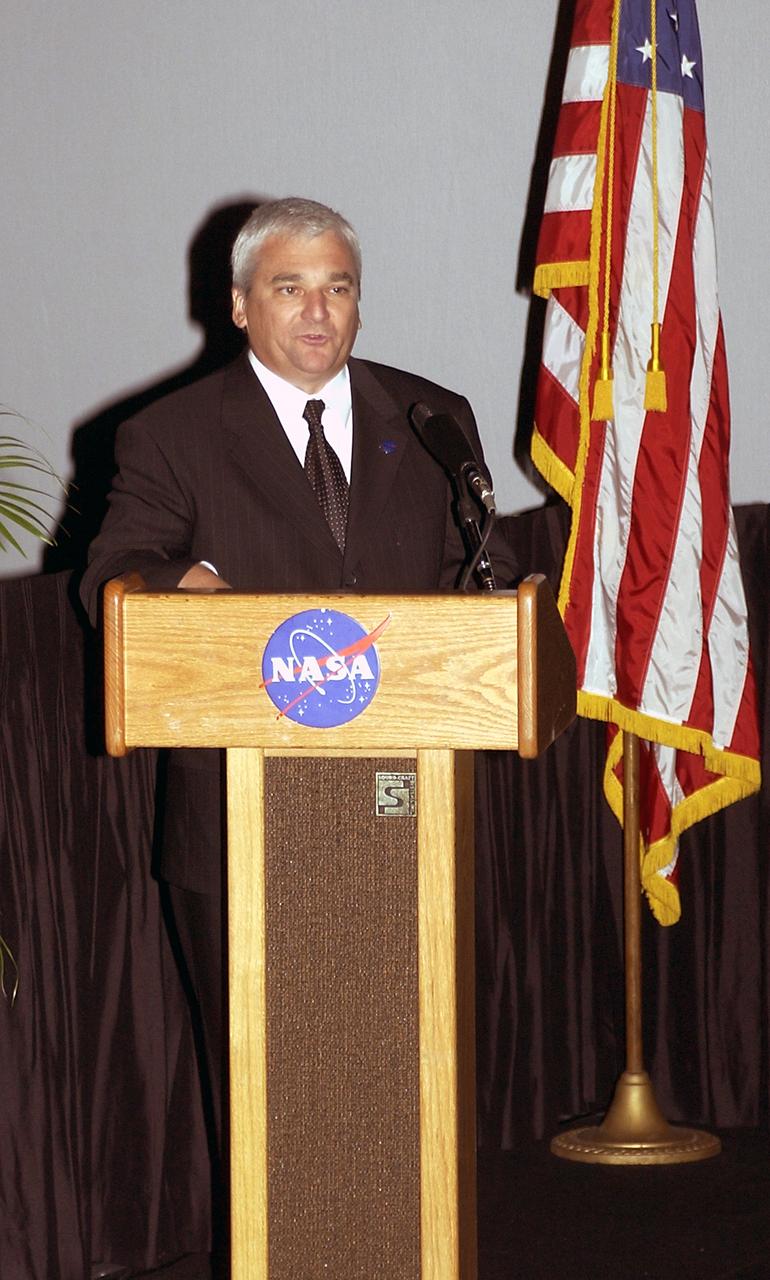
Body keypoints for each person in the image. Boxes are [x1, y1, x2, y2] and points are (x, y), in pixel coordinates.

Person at [80, 194, 519, 1199]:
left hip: (402, 809)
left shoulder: (431, 415)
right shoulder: (170, 433)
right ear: (238, 306)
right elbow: (113, 570)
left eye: (337, 287)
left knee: (398, 1093)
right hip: (241, 819)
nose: (317, 311)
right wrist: (166, 585)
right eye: (289, 287)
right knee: (270, 1104)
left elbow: (479, 580)